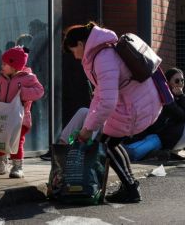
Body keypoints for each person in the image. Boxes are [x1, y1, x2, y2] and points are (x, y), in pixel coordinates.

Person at [63, 22, 163, 203]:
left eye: (74, 51)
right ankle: (129, 185)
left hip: (137, 107)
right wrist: (88, 127)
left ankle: (130, 188)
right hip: (138, 102)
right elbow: (99, 95)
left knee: (108, 143)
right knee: (111, 142)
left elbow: (108, 101)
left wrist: (87, 130)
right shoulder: (102, 52)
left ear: (80, 44)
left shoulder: (103, 58)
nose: (76, 57)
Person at [0, 46, 45, 178]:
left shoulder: (28, 78)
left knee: (17, 141)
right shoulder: (2, 78)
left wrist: (23, 93)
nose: (1, 66)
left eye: (4, 64)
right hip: (3, 117)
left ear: (14, 65)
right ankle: (2, 160)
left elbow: (40, 91)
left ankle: (17, 166)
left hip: (21, 118)